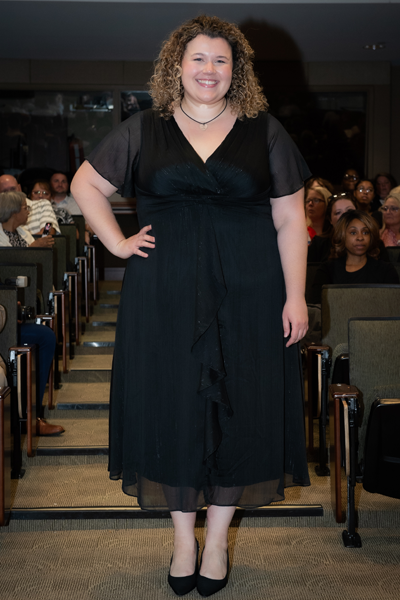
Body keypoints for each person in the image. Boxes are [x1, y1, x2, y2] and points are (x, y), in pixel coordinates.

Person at [71, 15, 310, 596]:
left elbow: (289, 218)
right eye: (199, 58)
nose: (210, 70)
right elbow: (84, 186)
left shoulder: (265, 130)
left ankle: (219, 537)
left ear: (237, 71)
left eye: (222, 60)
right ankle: (183, 539)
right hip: (165, 292)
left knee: (242, 409)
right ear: (177, 65)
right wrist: (118, 242)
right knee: (173, 407)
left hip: (251, 290)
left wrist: (296, 295)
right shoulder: (145, 127)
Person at [0, 190, 64, 436]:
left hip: (22, 313)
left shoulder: (23, 233)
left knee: (45, 335)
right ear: (14, 211)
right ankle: (29, 417)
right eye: (26, 208)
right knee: (42, 337)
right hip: (4, 319)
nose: (29, 212)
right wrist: (33, 248)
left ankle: (33, 414)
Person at [310, 210, 399, 304]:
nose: (360, 237)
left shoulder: (386, 270)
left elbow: (393, 307)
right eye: (353, 233)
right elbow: (317, 307)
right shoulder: (327, 270)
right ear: (342, 236)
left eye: (365, 232)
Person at [307, 193, 357, 263]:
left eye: (349, 211)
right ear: (330, 220)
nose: (345, 215)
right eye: (338, 212)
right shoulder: (319, 244)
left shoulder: (369, 240)